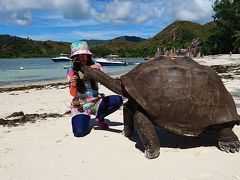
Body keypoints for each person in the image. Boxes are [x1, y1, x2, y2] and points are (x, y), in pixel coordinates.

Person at [67, 40, 123, 137]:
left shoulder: (96, 65)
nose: (82, 57)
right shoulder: (71, 70)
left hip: (96, 102)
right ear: (74, 57)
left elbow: (105, 80)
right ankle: (84, 117)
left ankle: (100, 117)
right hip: (80, 104)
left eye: (84, 54)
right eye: (79, 55)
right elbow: (72, 94)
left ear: (88, 55)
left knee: (118, 99)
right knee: (79, 132)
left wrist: (97, 71)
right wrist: (73, 84)